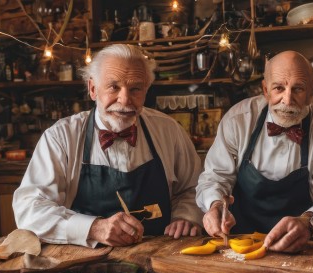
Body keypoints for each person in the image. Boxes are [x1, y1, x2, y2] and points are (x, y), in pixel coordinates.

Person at [13, 44, 203, 247]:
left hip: (160, 254)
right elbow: (29, 210)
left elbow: (193, 188)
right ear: (93, 89)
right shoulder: (61, 137)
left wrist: (186, 216)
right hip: (85, 262)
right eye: (114, 87)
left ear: (146, 90)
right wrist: (93, 228)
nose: (125, 100)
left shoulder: (168, 130)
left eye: (135, 88)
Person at [196, 50, 313, 253]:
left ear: (312, 90)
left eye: (298, 89)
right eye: (278, 88)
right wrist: (215, 205)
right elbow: (215, 176)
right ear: (265, 90)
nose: (287, 99)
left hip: (308, 246)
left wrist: (310, 222)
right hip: (243, 247)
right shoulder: (238, 120)